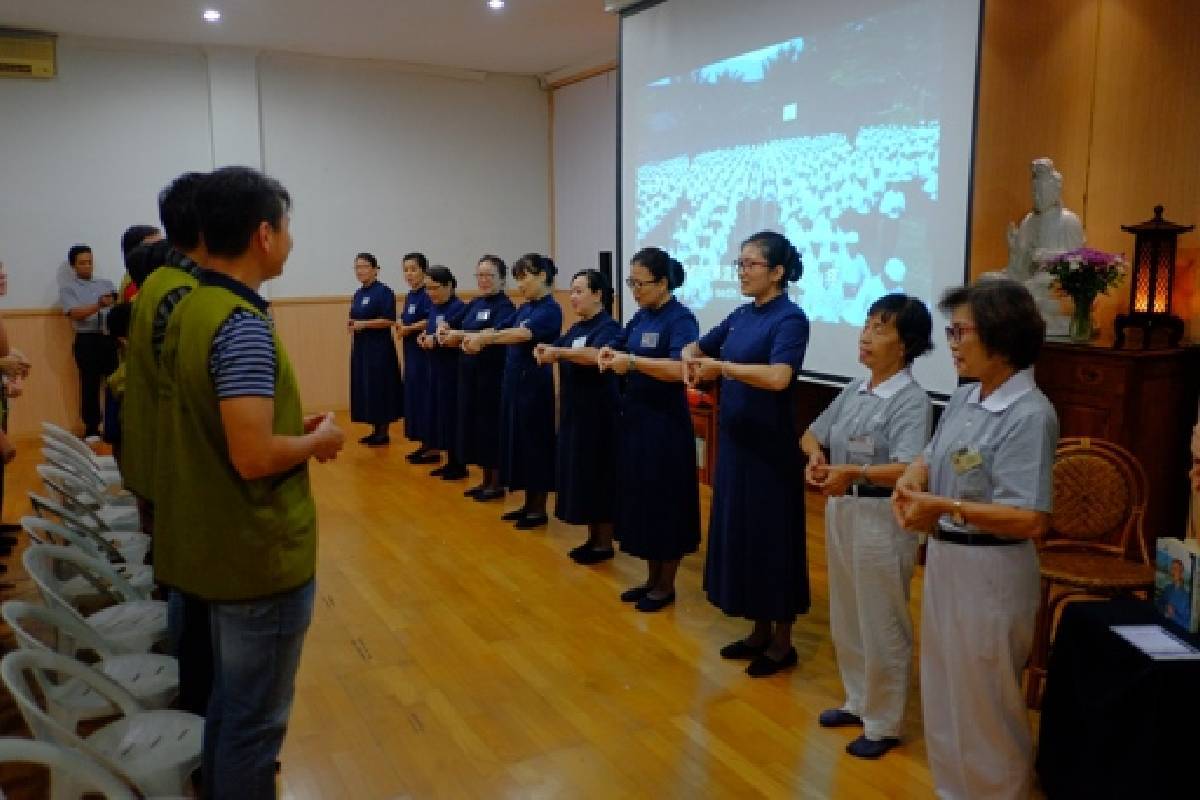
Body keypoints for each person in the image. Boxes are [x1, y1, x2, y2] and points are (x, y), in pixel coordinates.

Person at [154, 166, 345, 798]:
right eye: (287, 227)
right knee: (251, 722)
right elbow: (254, 454)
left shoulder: (191, 304)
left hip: (212, 540)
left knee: (228, 708)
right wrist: (316, 441)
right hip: (255, 551)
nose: (290, 240)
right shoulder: (239, 323)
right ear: (264, 233)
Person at [891, 278, 1057, 800]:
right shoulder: (965, 396)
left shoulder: (1030, 413)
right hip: (946, 560)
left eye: (961, 331)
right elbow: (933, 454)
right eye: (952, 330)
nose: (953, 343)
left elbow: (1029, 518)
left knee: (988, 701)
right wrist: (914, 477)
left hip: (994, 573)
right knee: (944, 691)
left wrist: (943, 507)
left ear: (1000, 337)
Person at [800, 293, 934, 756]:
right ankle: (857, 699)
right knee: (848, 611)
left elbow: (908, 466)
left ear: (906, 344)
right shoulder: (857, 388)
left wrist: (850, 473)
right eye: (866, 324)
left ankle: (884, 721)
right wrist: (816, 458)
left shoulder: (911, 400)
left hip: (883, 514)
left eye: (881, 328)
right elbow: (812, 432)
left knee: (882, 616)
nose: (865, 336)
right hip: (842, 507)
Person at [682, 231, 810, 674]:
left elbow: (778, 378)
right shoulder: (739, 314)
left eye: (751, 264)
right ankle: (757, 630)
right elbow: (695, 348)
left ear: (777, 272)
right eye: (739, 263)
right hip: (736, 444)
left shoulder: (790, 319)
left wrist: (722, 368)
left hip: (769, 450)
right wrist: (694, 363)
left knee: (772, 539)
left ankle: (782, 641)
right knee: (744, 535)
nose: (742, 271)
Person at [121, 172, 212, 718]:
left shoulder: (156, 286)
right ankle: (196, 716)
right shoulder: (181, 291)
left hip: (159, 457)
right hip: (177, 464)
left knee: (180, 585)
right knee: (191, 596)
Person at [597, 247, 700, 612]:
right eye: (631, 283)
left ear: (662, 282)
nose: (635, 290)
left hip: (666, 427)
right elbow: (622, 347)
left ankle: (666, 585)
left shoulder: (681, 320)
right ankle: (650, 577)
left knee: (665, 503)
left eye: (640, 284)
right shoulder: (640, 318)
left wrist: (634, 363)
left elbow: (680, 370)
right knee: (641, 500)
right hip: (636, 422)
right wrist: (609, 353)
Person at [463, 253, 561, 529]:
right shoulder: (525, 307)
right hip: (514, 384)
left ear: (542, 276)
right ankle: (527, 504)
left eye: (525, 277)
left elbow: (522, 335)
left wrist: (486, 338)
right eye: (517, 279)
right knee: (518, 442)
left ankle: (538, 508)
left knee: (534, 445)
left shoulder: (549, 309)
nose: (521, 284)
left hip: (534, 387)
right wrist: (473, 336)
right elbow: (502, 328)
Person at [534, 269, 621, 563]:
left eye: (579, 291)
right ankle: (592, 538)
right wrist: (547, 350)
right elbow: (561, 347)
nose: (573, 297)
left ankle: (604, 542)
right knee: (582, 475)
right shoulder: (577, 328)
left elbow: (595, 356)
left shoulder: (608, 327)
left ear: (597, 294)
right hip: (575, 414)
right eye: (571, 291)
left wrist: (558, 354)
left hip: (599, 416)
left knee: (600, 476)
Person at [435, 256, 514, 501]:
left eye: (489, 275)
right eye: (479, 275)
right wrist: (444, 328)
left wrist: (460, 334)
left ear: (502, 278)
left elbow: (495, 334)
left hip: (492, 376)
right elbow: (455, 323)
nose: (484, 280)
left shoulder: (505, 306)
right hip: (469, 375)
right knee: (476, 428)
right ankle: (484, 479)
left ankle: (497, 482)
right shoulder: (475, 304)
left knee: (491, 428)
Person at [59, 244, 118, 439]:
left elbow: (116, 309)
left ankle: (115, 426)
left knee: (114, 382)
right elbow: (75, 314)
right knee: (90, 385)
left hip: (109, 338)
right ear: (73, 266)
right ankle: (92, 428)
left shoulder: (107, 284)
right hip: (87, 339)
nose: (87, 266)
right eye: (82, 263)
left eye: (90, 262)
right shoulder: (69, 289)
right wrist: (98, 305)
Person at [348, 252, 403, 446]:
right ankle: (374, 429)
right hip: (362, 348)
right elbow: (355, 317)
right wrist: (353, 323)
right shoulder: (358, 293)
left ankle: (383, 431)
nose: (360, 271)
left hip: (379, 349)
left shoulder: (384, 292)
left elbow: (389, 319)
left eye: (364, 266)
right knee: (366, 386)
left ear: (375, 270)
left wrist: (365, 324)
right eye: (357, 267)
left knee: (380, 386)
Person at [418, 266, 467, 479]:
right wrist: (424, 337)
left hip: (453, 370)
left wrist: (435, 342)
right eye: (427, 288)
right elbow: (431, 331)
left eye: (435, 288)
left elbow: (457, 338)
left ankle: (458, 463)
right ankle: (448, 460)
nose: (431, 293)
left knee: (452, 415)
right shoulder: (434, 307)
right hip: (435, 369)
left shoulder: (458, 308)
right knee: (439, 414)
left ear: (449, 286)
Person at [396, 253, 435, 463]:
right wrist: (401, 324)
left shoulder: (428, 293)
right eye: (406, 270)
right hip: (410, 352)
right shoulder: (411, 295)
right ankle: (423, 443)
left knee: (425, 396)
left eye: (413, 269)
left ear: (423, 270)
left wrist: (409, 328)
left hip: (424, 353)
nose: (409, 274)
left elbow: (430, 319)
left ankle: (433, 446)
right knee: (414, 397)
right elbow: (405, 317)